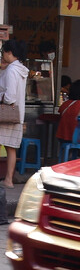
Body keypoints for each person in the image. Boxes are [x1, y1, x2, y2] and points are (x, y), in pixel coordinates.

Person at [0, 39, 29, 189]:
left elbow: (10, 96)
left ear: (9, 52)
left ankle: (8, 179)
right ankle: (8, 179)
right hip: (17, 114)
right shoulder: (20, 69)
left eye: (3, 52)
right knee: (11, 147)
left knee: (7, 145)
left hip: (6, 114)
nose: (2, 55)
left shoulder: (12, 70)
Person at [56, 79, 80, 151]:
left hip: (62, 137)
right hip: (79, 138)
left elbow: (60, 114)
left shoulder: (65, 104)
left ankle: (68, 156)